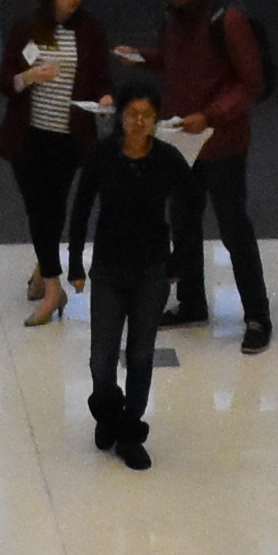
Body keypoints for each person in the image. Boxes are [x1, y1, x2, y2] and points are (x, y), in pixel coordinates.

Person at [148, 0, 272, 349]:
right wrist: (143, 58)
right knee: (183, 223)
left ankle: (257, 317)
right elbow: (171, 59)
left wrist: (212, 115)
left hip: (222, 144)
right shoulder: (174, 17)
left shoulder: (229, 20)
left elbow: (250, 83)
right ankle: (191, 302)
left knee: (234, 227)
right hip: (183, 139)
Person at [0, 0, 112, 321]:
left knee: (55, 206)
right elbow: (4, 81)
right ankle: (52, 287)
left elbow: (101, 79)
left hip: (69, 136)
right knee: (38, 206)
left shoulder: (90, 29)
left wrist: (105, 100)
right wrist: (29, 76)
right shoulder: (28, 27)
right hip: (29, 135)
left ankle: (43, 271)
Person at [75, 92, 180, 463]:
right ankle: (109, 412)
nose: (139, 122)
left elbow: (188, 206)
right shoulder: (102, 155)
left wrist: (179, 260)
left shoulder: (167, 159)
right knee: (100, 358)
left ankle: (129, 430)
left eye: (147, 115)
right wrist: (74, 262)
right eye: (133, 114)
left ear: (156, 119)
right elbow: (82, 206)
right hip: (108, 269)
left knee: (140, 354)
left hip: (151, 270)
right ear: (120, 116)